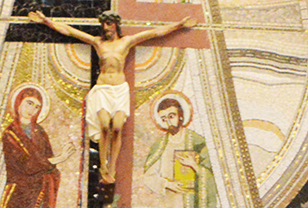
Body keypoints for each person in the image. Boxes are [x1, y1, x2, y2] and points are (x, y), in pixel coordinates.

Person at [26, 10, 197, 186]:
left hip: (120, 91)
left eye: (108, 24)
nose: (105, 28)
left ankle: (112, 168)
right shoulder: (98, 43)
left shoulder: (126, 42)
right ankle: (103, 167)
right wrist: (46, 21)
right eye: (103, 24)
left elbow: (154, 33)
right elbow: (69, 31)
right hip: (102, 90)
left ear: (115, 24)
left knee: (116, 128)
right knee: (105, 127)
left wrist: (179, 25)